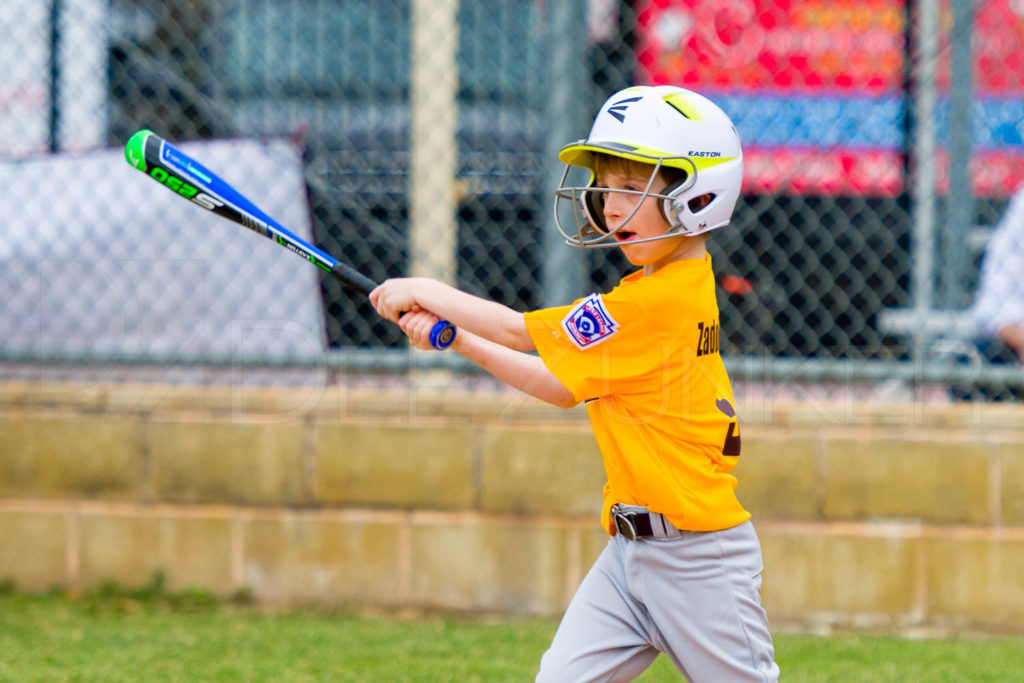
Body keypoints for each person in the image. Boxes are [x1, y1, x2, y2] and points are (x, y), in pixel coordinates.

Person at [370, 85, 779, 682]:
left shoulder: (655, 303)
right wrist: (456, 338)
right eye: (607, 186)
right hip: (630, 554)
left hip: (698, 559)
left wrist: (426, 289)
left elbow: (518, 332)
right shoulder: (660, 292)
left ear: (696, 197)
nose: (609, 206)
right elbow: (561, 386)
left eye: (631, 185)